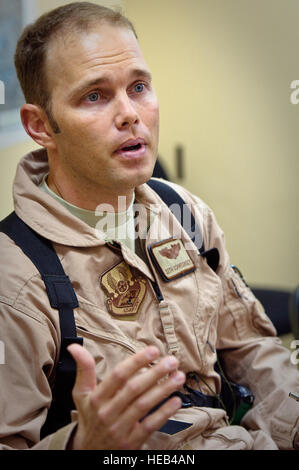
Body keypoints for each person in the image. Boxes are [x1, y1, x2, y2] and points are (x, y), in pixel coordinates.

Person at [0, 2, 298, 451]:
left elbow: (251, 347)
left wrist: (285, 429)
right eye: (94, 96)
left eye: (138, 86)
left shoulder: (184, 212)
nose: (130, 114)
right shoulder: (17, 279)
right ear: (40, 126)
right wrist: (84, 445)